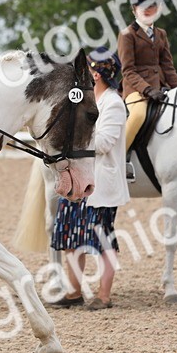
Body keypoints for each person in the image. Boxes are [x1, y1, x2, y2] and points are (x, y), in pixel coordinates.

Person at [50, 48, 130, 309]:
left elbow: (105, 143)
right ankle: (74, 292)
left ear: (95, 75)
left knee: (103, 240)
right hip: (77, 179)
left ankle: (104, 295)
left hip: (101, 184)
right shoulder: (85, 101)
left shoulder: (114, 104)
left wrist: (78, 134)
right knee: (70, 237)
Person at [118, 0, 177, 148]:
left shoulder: (161, 34)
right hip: (135, 90)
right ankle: (119, 157)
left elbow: (168, 67)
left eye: (153, 5)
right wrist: (147, 89)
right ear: (134, 9)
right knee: (139, 114)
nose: (148, 9)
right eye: (143, 5)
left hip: (160, 88)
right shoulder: (127, 35)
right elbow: (128, 71)